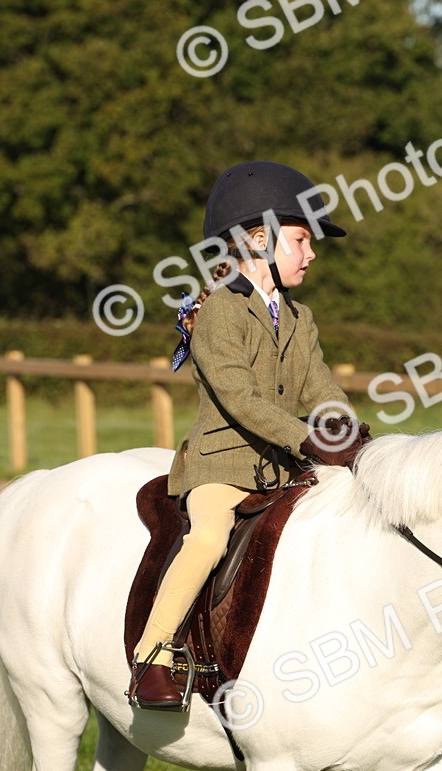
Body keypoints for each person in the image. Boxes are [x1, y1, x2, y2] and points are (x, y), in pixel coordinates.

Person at [129, 161, 368, 709]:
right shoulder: (218, 314)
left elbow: (321, 386)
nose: (311, 254)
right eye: (302, 240)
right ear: (259, 240)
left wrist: (345, 429)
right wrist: (309, 441)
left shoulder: (300, 317)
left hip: (285, 470)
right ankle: (153, 657)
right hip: (221, 467)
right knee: (208, 539)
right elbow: (241, 400)